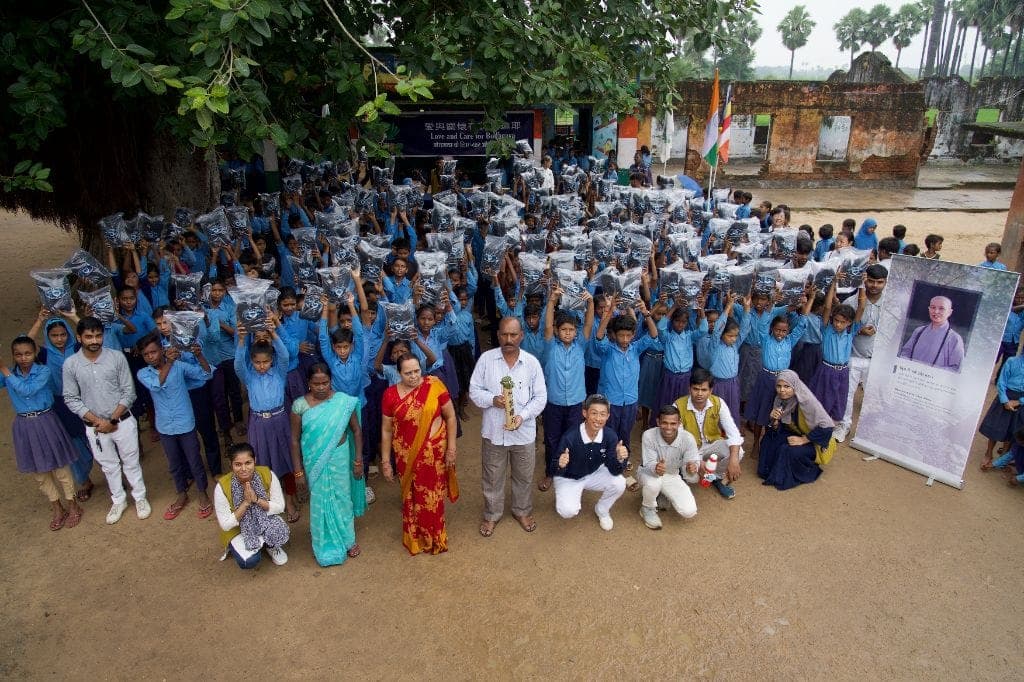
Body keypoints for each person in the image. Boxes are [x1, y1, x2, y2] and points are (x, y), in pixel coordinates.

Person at [63, 316, 150, 524]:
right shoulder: (71, 364)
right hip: (95, 427)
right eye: (89, 336)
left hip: (122, 421)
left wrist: (112, 420)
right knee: (108, 466)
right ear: (79, 337)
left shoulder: (116, 357)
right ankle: (119, 500)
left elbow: (129, 392)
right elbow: (71, 398)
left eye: (98, 335)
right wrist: (98, 421)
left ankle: (140, 497)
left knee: (131, 462)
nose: (94, 340)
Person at [468, 317, 547, 538]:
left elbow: (541, 398)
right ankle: (492, 514)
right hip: (495, 432)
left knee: (524, 476)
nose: (509, 339)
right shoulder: (486, 360)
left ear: (521, 336)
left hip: (523, 433)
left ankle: (522, 511)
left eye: (514, 335)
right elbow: (474, 390)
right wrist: (493, 400)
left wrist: (521, 416)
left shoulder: (531, 363)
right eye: (504, 334)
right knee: (492, 477)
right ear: (498, 335)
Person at [1, 336, 85, 531]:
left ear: (35, 353)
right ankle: (56, 507)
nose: (23, 358)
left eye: (28, 353)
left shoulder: (42, 371)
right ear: (13, 355)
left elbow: (27, 390)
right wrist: (6, 371)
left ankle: (72, 504)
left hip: (46, 420)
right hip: (24, 424)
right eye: (18, 354)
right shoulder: (10, 374)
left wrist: (5, 370)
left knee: (60, 467)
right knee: (39, 472)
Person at [381, 354, 458, 555]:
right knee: (411, 496)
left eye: (416, 371)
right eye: (408, 373)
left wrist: (451, 449)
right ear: (399, 373)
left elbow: (450, 417)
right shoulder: (390, 395)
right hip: (406, 456)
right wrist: (385, 461)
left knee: (432, 497)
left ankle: (435, 537)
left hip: (434, 454)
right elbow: (387, 430)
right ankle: (415, 537)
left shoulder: (435, 385)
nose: (414, 376)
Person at [290, 363, 365, 566]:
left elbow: (356, 431)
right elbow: (295, 440)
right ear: (308, 383)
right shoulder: (299, 406)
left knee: (342, 497)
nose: (321, 387)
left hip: (340, 457)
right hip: (314, 461)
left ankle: (349, 540)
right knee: (320, 500)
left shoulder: (343, 402)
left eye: (325, 382)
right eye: (316, 384)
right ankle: (322, 542)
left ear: (331, 381)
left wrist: (358, 460)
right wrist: (298, 473)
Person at [136, 333, 215, 520]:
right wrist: (169, 362)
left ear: (161, 350)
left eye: (154, 352)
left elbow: (206, 374)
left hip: (185, 422)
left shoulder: (179, 367)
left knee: (194, 459)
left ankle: (202, 492)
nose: (150, 357)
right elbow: (156, 385)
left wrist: (199, 355)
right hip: (165, 426)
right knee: (174, 463)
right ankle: (182, 493)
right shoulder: (143, 373)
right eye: (146, 354)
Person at [234, 317, 300, 522]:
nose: (261, 366)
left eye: (265, 362)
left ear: (271, 361)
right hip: (258, 424)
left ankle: (289, 501)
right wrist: (242, 340)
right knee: (262, 463)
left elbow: (285, 355)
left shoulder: (279, 373)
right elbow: (238, 364)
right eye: (257, 362)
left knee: (286, 461)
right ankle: (269, 501)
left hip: (280, 421)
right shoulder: (249, 376)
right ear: (252, 362)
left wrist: (273, 333)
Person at [539, 290, 594, 492]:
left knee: (572, 437)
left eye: (571, 330)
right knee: (552, 438)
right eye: (563, 330)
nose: (568, 333)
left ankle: (571, 471)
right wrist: (552, 300)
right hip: (553, 402)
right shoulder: (550, 346)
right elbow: (546, 324)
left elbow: (588, 325)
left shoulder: (580, 346)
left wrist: (590, 303)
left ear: (576, 332)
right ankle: (551, 473)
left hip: (576, 402)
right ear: (556, 331)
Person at [553, 394, 629, 531]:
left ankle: (602, 510)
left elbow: (615, 470)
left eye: (602, 414)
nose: (598, 419)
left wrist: (619, 458)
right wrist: (560, 464)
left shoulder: (610, 435)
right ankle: (569, 495)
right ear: (584, 413)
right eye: (594, 413)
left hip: (593, 473)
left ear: (608, 416)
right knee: (567, 511)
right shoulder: (570, 437)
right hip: (569, 477)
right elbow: (555, 468)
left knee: (620, 483)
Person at [757, 370, 836, 490]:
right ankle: (769, 472)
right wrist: (774, 420)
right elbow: (779, 428)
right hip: (795, 433)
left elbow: (828, 427)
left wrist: (804, 440)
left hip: (816, 442)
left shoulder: (807, 402)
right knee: (768, 440)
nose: (782, 390)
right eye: (779, 386)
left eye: (787, 386)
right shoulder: (780, 399)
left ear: (794, 386)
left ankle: (802, 470)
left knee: (787, 450)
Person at [214, 443, 290, 569]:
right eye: (238, 464)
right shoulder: (221, 487)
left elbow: (280, 507)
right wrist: (246, 503)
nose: (243, 469)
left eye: (248, 463)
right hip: (238, 529)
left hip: (265, 519)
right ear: (231, 464)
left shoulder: (267, 474)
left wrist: (256, 499)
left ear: (255, 461)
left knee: (277, 531)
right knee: (249, 561)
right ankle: (254, 545)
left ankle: (270, 546)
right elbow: (226, 525)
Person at [834, 264, 888, 443]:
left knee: (875, 397)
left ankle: (870, 432)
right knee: (847, 395)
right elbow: (839, 330)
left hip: (877, 359)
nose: (874, 285)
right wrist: (858, 330)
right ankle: (844, 425)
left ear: (885, 283)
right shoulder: (850, 302)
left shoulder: (890, 304)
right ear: (865, 281)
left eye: (879, 282)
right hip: (853, 357)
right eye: (871, 281)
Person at [674, 368, 744, 500]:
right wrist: (698, 462)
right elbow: (680, 442)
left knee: (738, 452)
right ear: (690, 388)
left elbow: (733, 433)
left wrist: (734, 460)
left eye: (704, 390)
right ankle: (683, 474)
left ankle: (715, 477)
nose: (699, 394)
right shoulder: (678, 406)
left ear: (711, 390)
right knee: (693, 478)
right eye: (696, 389)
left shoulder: (718, 403)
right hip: (689, 451)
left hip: (711, 446)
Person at [637, 404, 700, 530]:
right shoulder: (648, 435)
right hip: (648, 473)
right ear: (658, 422)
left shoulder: (688, 438)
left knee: (689, 511)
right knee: (653, 483)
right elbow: (649, 463)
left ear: (679, 423)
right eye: (664, 423)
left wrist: (692, 467)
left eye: (673, 423)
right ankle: (647, 508)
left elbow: (693, 463)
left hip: (672, 475)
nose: (668, 428)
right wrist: (656, 467)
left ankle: (662, 493)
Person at [808, 283, 865, 420]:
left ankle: (829, 432)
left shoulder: (851, 332)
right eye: (836, 320)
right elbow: (827, 308)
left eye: (843, 322)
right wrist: (834, 282)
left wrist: (862, 283)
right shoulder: (827, 330)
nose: (838, 324)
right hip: (826, 370)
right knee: (821, 401)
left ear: (849, 322)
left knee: (838, 402)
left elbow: (861, 307)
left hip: (843, 372)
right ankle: (816, 431)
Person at [979, 352, 1024, 470]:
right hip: (1005, 397)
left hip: (1021, 400)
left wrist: (1019, 401)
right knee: (995, 427)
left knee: (1013, 430)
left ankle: (1004, 456)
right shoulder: (1012, 361)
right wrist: (1005, 401)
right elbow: (1001, 382)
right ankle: (988, 453)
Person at [897, 295, 965, 372]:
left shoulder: (955, 338)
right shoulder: (919, 331)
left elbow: (956, 369)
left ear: (949, 312)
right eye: (933, 307)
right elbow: (905, 352)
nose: (936, 311)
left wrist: (930, 373)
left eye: (941, 308)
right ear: (929, 309)